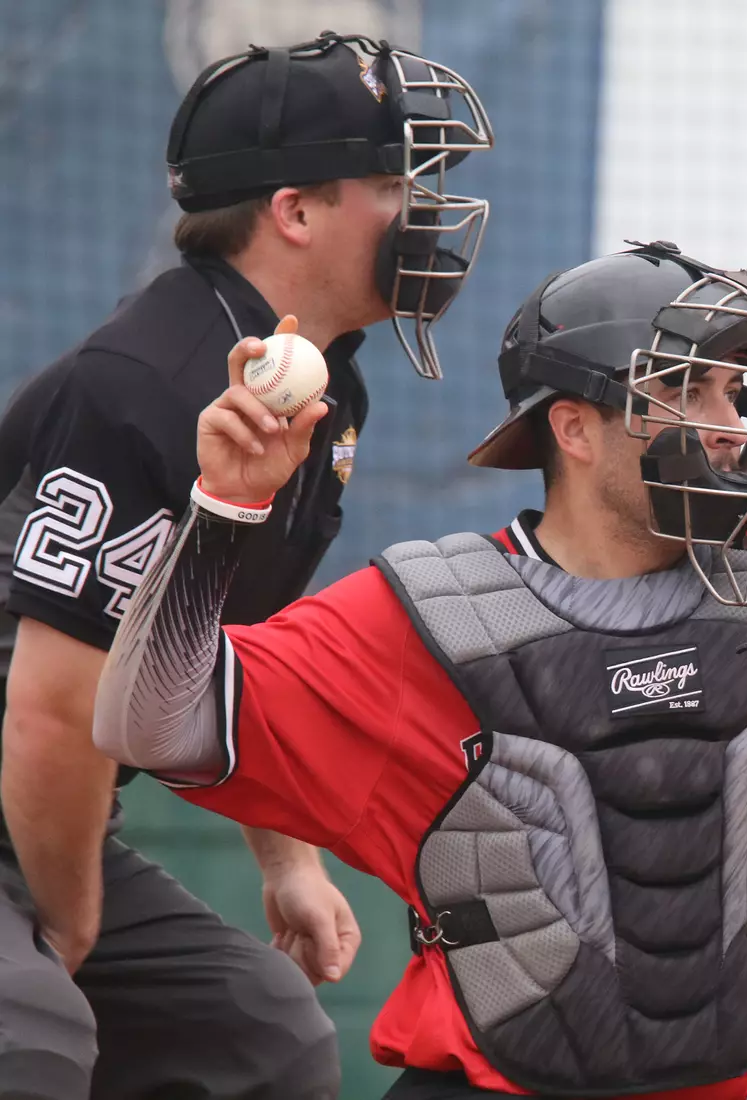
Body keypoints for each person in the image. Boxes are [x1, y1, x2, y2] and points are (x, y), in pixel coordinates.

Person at [90, 241, 747, 1099]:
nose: (727, 421)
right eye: (682, 386)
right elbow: (150, 722)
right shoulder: (427, 614)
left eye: (734, 386)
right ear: (572, 427)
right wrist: (225, 511)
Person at [0, 30, 493, 1099]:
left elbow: (223, 644)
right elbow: (46, 710)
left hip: (32, 811)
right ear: (296, 211)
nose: (425, 208)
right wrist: (73, 919)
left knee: (260, 1039)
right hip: (29, 787)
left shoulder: (320, 386)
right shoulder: (146, 381)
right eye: (392, 181)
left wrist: (288, 857)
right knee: (29, 1038)